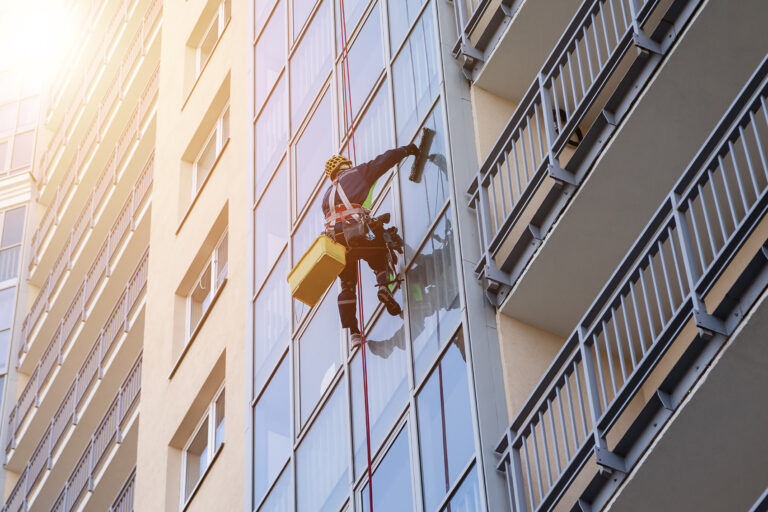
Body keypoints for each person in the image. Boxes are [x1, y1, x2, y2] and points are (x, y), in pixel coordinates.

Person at [322, 145, 419, 346]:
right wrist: (407, 151)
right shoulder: (357, 173)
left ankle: (354, 333)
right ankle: (383, 285)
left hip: (337, 242)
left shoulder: (326, 196)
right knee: (379, 249)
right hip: (357, 232)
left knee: (347, 285)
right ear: (346, 165)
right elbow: (384, 160)